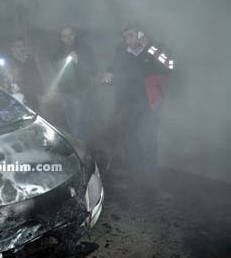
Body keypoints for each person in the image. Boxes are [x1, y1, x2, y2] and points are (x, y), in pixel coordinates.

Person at [102, 22, 174, 177]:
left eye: (131, 35)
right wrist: (109, 75)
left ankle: (150, 175)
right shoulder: (121, 51)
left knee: (148, 138)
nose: (128, 40)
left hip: (150, 103)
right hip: (128, 102)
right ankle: (135, 172)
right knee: (130, 138)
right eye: (125, 37)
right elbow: (115, 67)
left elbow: (169, 65)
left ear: (140, 34)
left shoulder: (156, 48)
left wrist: (150, 46)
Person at [50, 27, 98, 142]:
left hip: (80, 93)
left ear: (74, 35)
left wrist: (78, 60)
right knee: (71, 124)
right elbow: (55, 64)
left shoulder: (85, 49)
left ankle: (82, 151)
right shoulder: (60, 51)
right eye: (64, 36)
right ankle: (78, 148)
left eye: (70, 34)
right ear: (61, 38)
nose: (68, 38)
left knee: (80, 125)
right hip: (65, 93)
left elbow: (93, 70)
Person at [0, 37, 44, 112]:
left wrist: (41, 90)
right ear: (12, 48)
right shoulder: (7, 60)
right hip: (17, 96)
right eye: (19, 47)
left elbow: (37, 74)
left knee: (37, 116)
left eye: (23, 46)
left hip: (31, 94)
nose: (22, 48)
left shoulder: (30, 58)